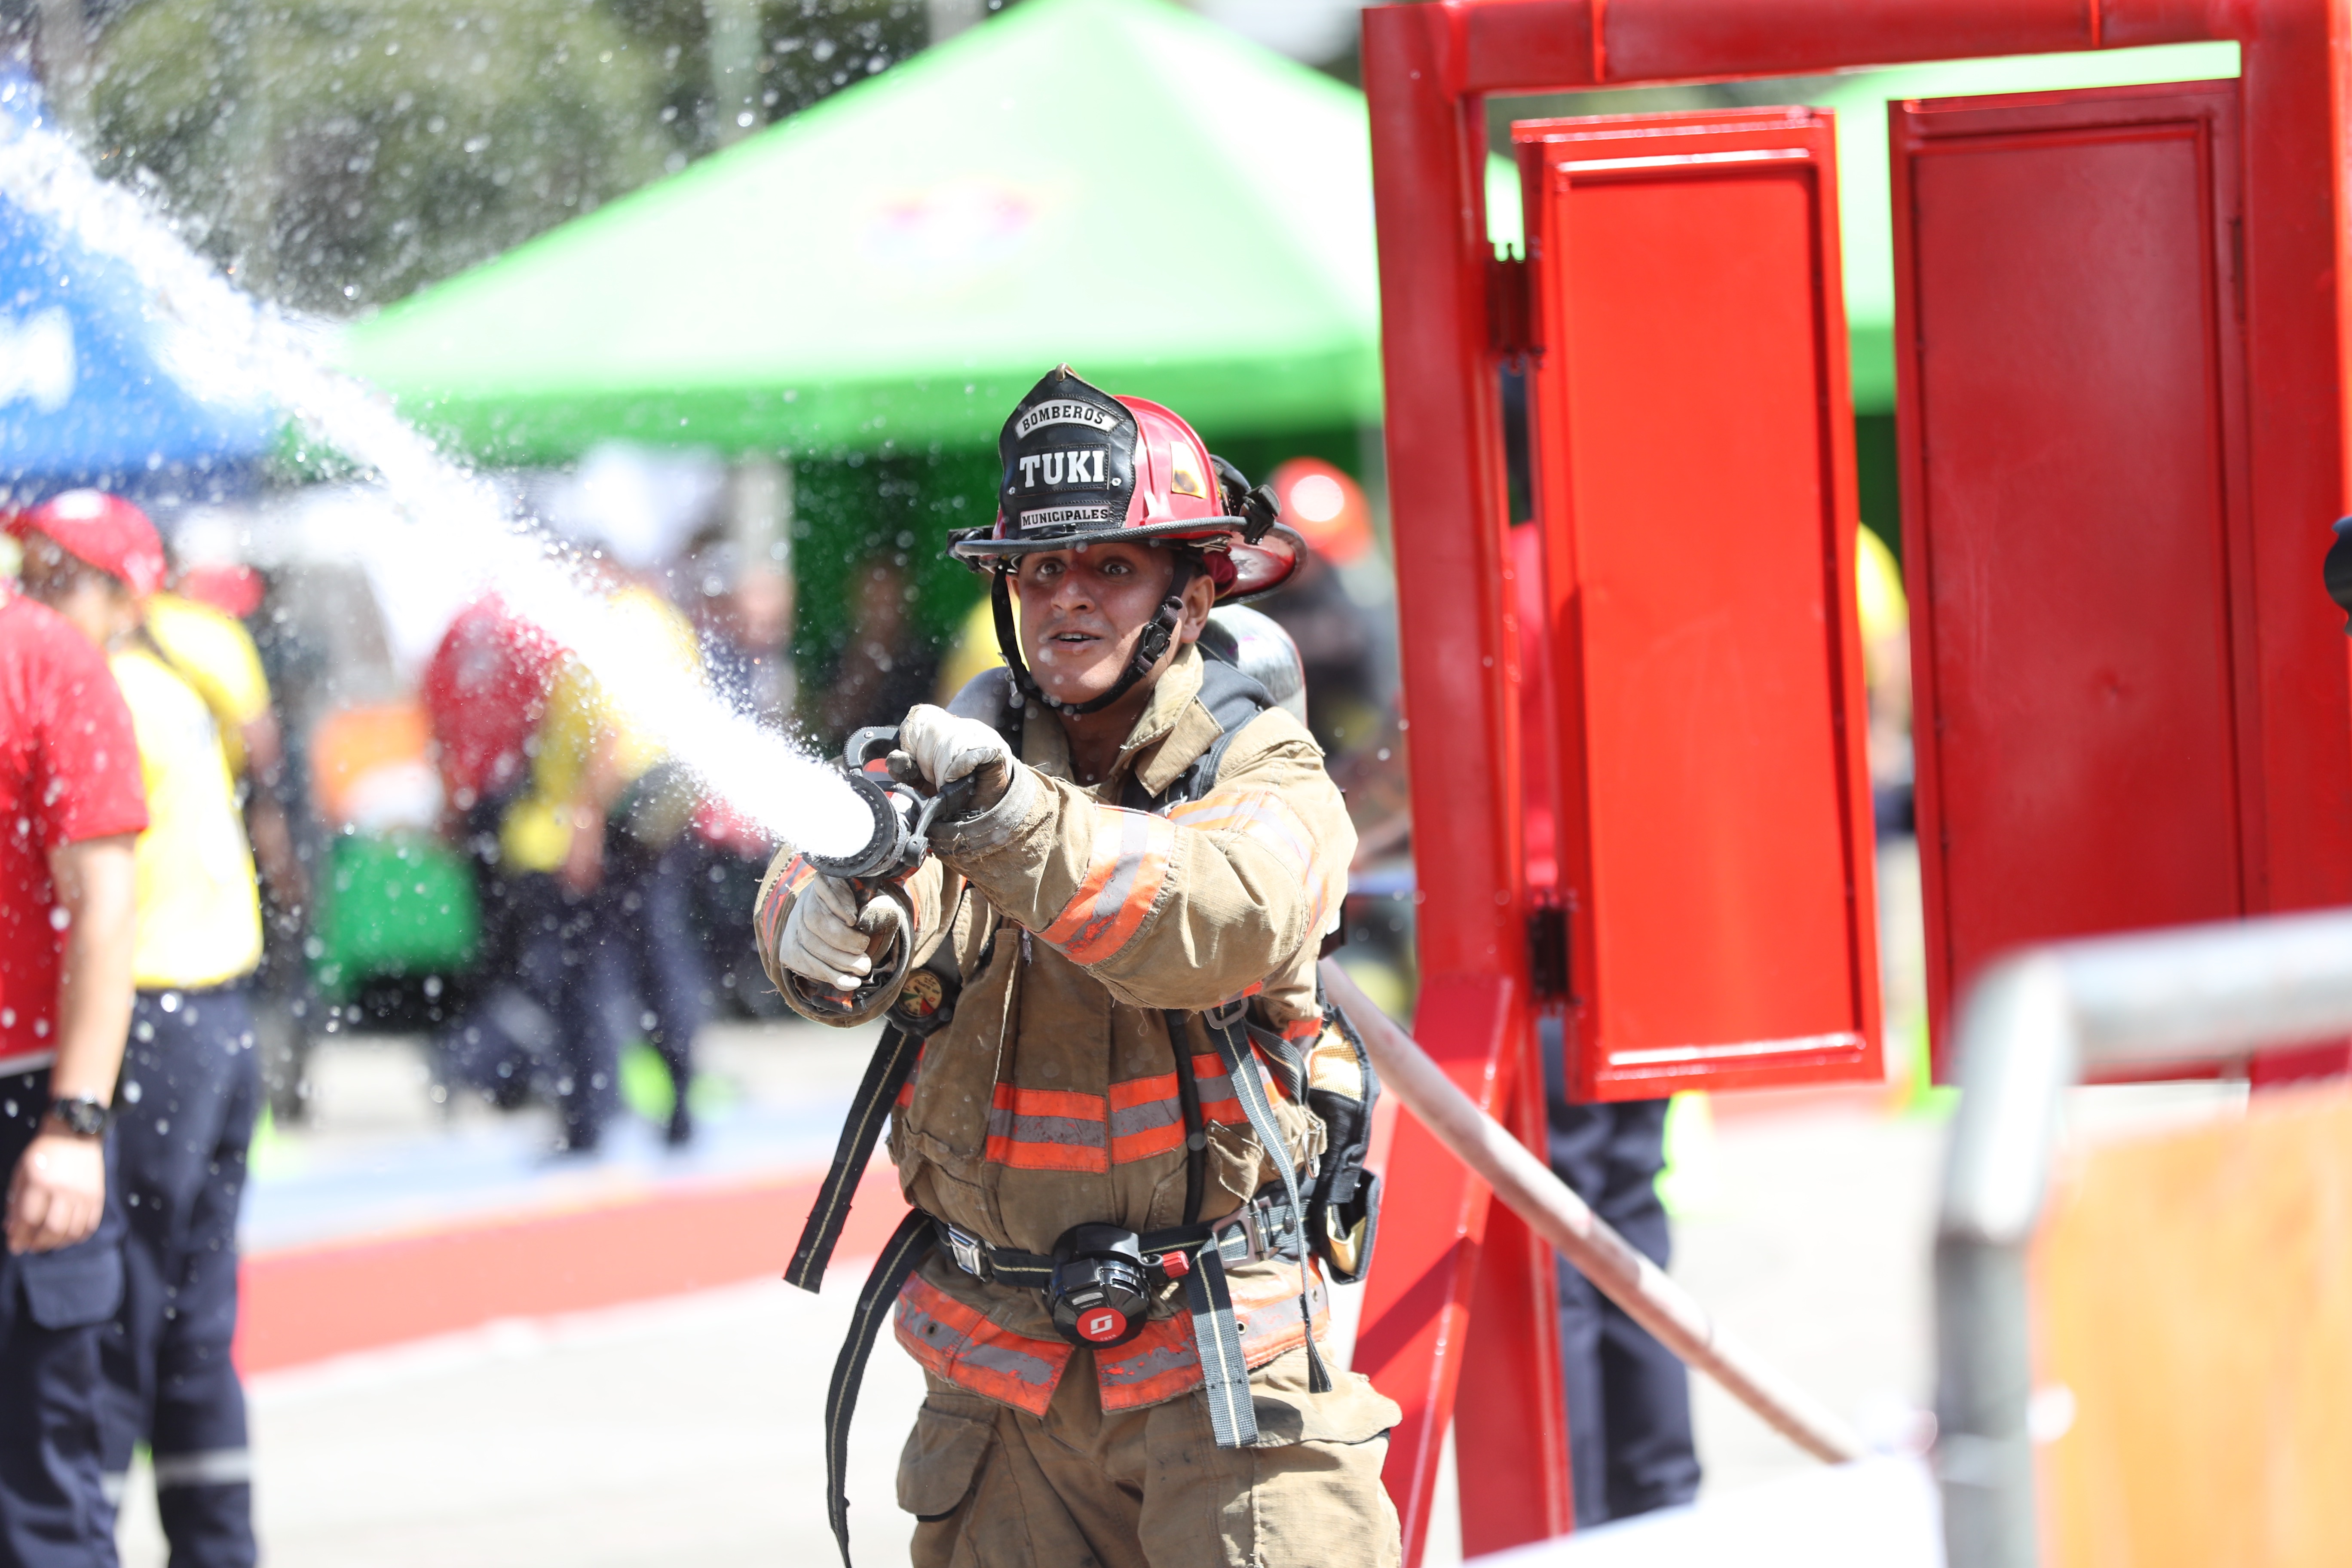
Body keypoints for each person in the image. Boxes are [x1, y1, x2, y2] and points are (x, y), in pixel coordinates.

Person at [761, 368, 1400, 1568]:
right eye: (1041, 571)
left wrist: (1011, 821)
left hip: (1224, 1389)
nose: (1069, 599)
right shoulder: (953, 775)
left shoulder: (1269, 780)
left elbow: (1213, 917)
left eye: (1113, 567)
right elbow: (875, 900)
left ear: (1196, 588)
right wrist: (822, 923)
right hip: (998, 1404)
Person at [12, 492, 269, 1568]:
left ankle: (83, 1529)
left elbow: (97, 899)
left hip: (144, 1019)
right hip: (219, 1006)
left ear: (124, 591)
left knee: (113, 1323)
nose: (36, 590)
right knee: (193, 1327)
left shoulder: (97, 680)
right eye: (29, 566)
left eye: (58, 574)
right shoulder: (193, 665)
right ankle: (217, 1545)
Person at [0, 545, 146, 1568]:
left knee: (36, 1498)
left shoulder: (44, 660)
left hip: (26, 1105)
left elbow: (106, 908)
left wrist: (75, 1121)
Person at [493, 570, 710, 1151]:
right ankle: (677, 1102)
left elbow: (612, 733)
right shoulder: (665, 622)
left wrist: (585, 825)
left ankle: (592, 1117)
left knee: (585, 975)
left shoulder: (615, 623)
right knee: (660, 960)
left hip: (615, 820)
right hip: (654, 817)